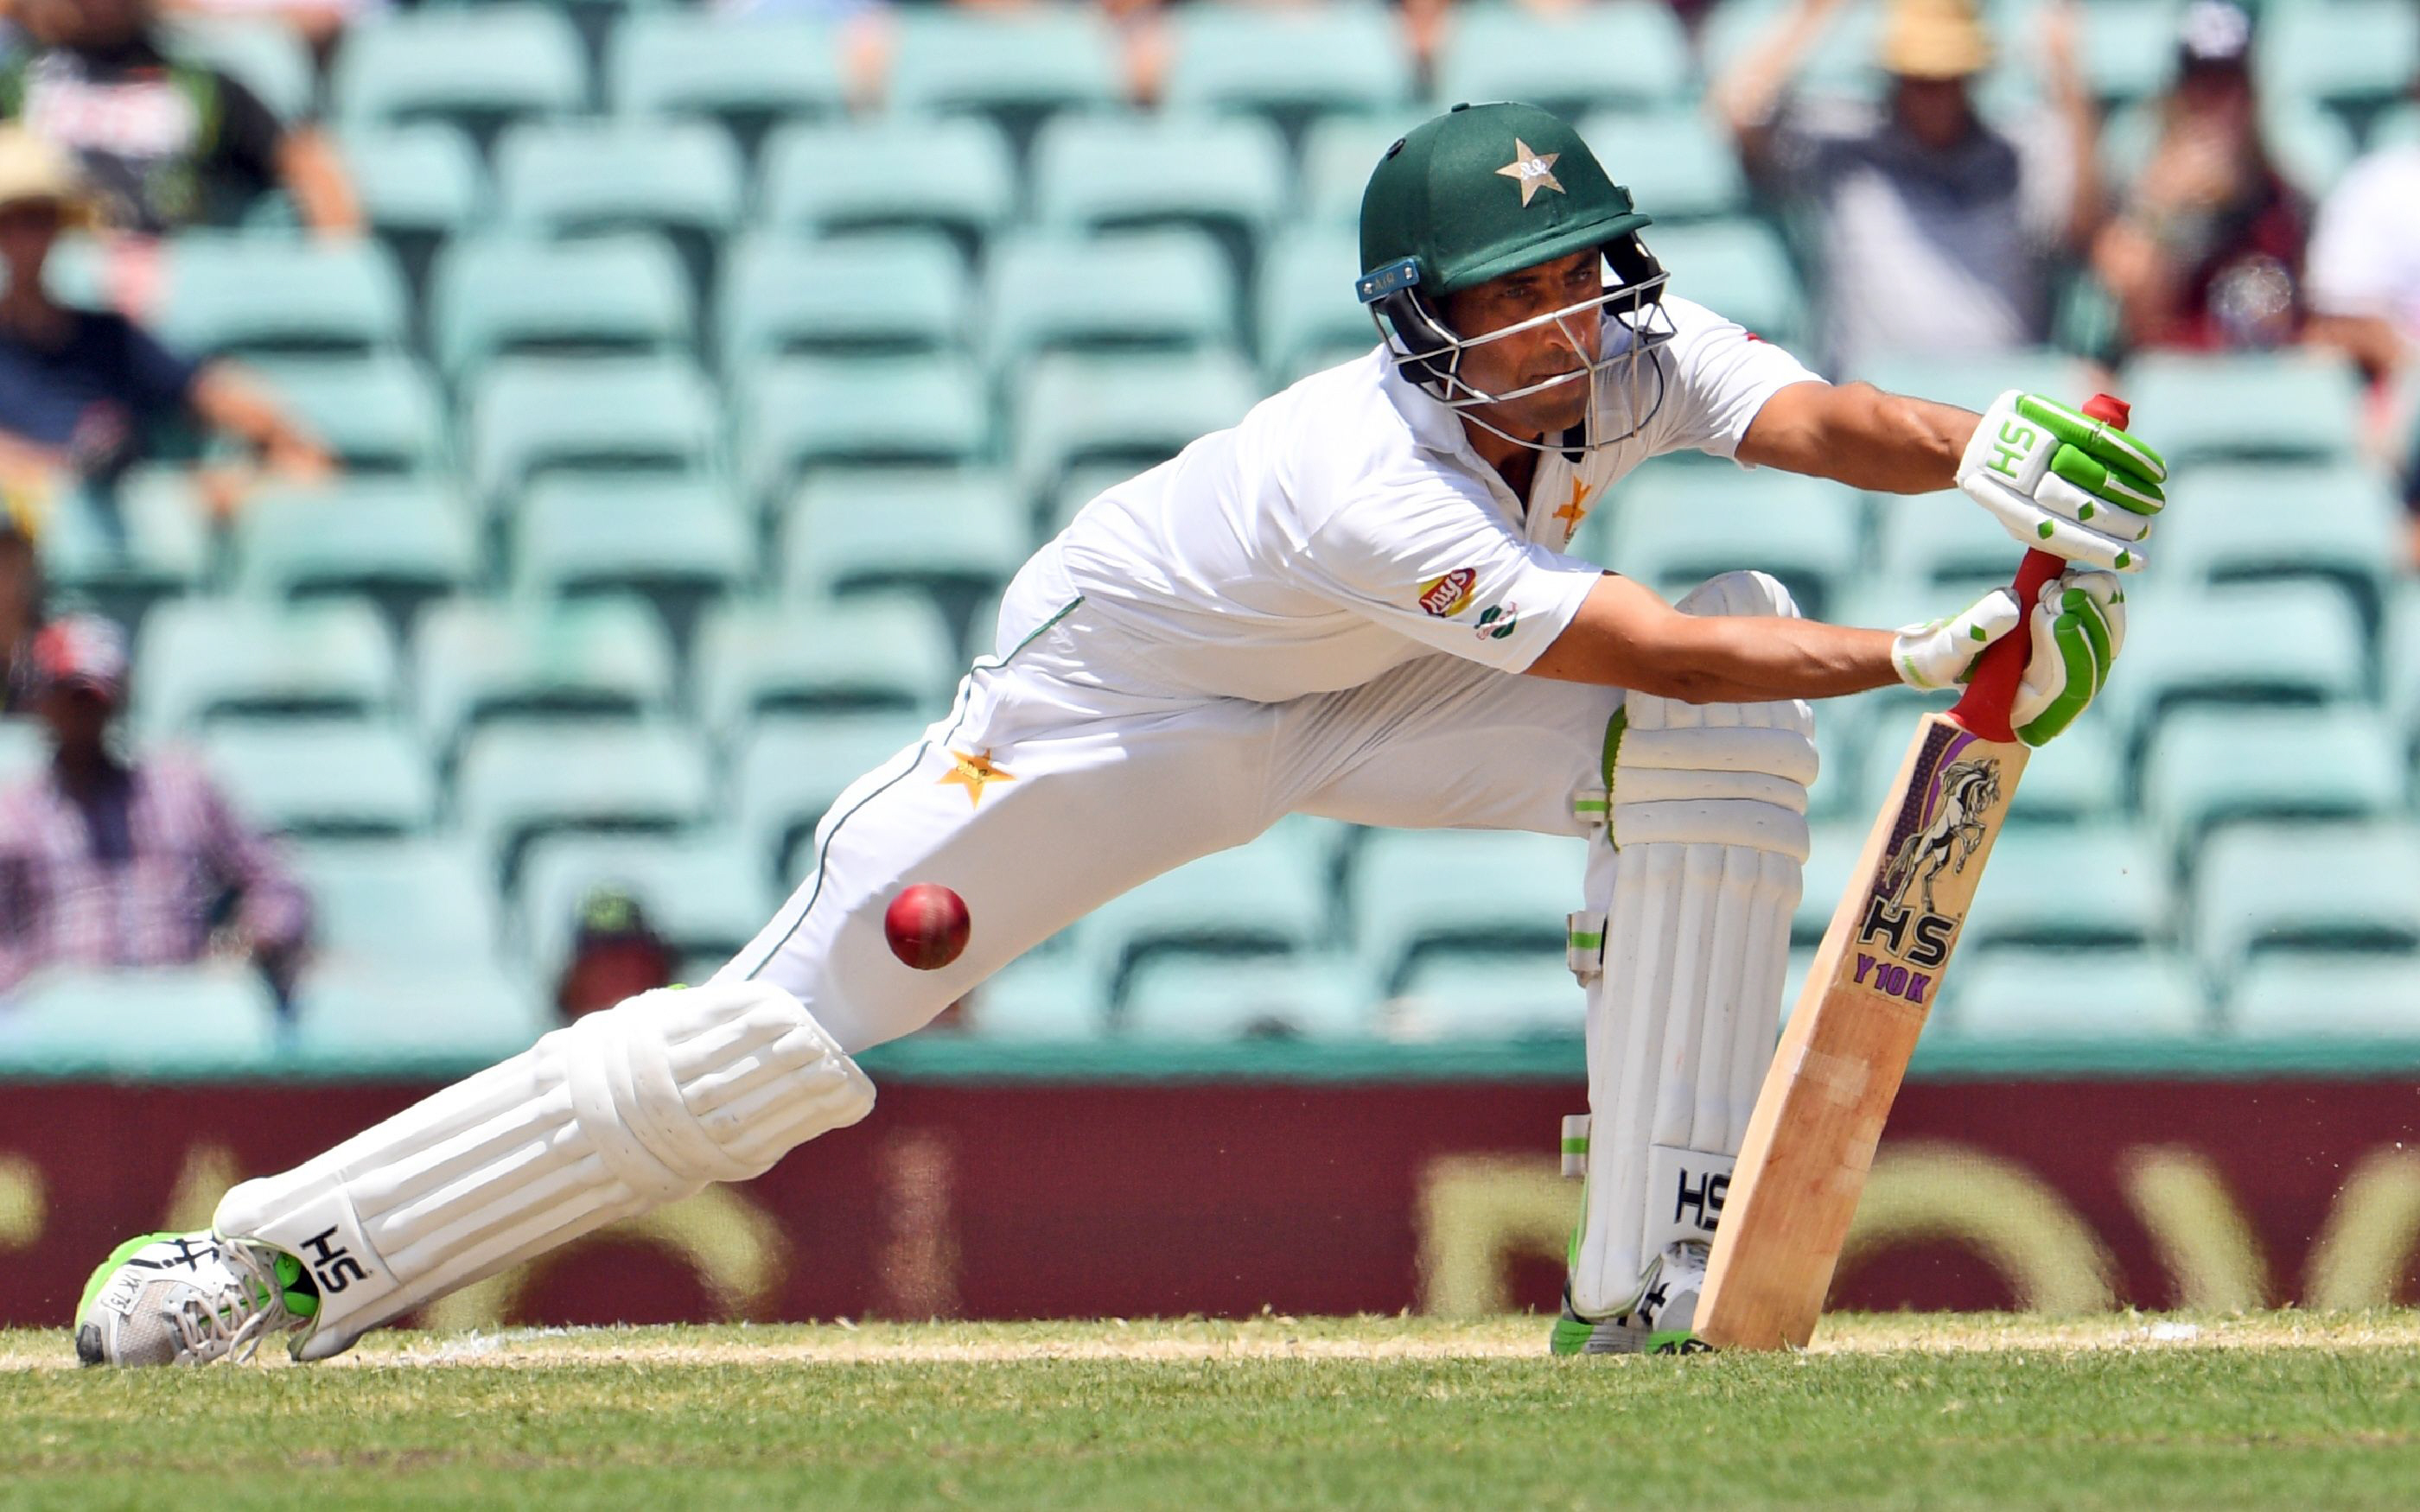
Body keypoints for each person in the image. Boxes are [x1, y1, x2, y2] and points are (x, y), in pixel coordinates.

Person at [71, 101, 2158, 1368]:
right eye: (1514, 293)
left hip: (1357, 706)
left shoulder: (1628, 340)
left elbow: (1806, 422)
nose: (1566, 321)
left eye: (1583, 273)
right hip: (1113, 726)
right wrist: (1925, 661)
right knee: (760, 1058)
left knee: (1740, 684)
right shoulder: (1365, 474)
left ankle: (1649, 1274)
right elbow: (1624, 642)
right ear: (1423, 316)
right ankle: (271, 1262)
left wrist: (1994, 450)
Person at [1711, 0, 2101, 376]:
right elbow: (1740, 115)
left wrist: (2065, 76)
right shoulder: (1844, 147)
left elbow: (2082, 228)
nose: (1935, 96)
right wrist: (1817, 13)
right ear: (1894, 76)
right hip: (1876, 402)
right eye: (1920, 80)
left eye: (1950, 79)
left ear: (1973, 77)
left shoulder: (2020, 151)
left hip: (1999, 395)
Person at [0, 125, 332, 524]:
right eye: (9, 220)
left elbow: (216, 392)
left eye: (36, 218)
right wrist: (68, 474)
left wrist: (282, 444)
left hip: (133, 532)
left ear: (57, 226)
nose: (22, 238)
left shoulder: (110, 336)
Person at [0, 612, 310, 998]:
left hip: (181, 1011)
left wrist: (245, 949)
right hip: (63, 1024)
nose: (85, 713)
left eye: (96, 697)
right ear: (41, 703)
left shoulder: (182, 789)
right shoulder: (12, 815)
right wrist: (27, 991)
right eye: (70, 697)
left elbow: (276, 883)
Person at [0, 0, 360, 239]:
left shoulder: (198, 84)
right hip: (41, 278)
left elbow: (305, 159)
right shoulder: (15, 80)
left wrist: (338, 258)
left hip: (171, 281)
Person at [2090, 0, 2308, 353]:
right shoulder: (2144, 186)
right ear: (2176, 95)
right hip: (2171, 385)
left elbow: (2305, 320)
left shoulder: (2283, 195)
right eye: (2200, 85)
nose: (2215, 103)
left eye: (2228, 83)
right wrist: (2164, 206)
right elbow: (2132, 313)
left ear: (2251, 92)